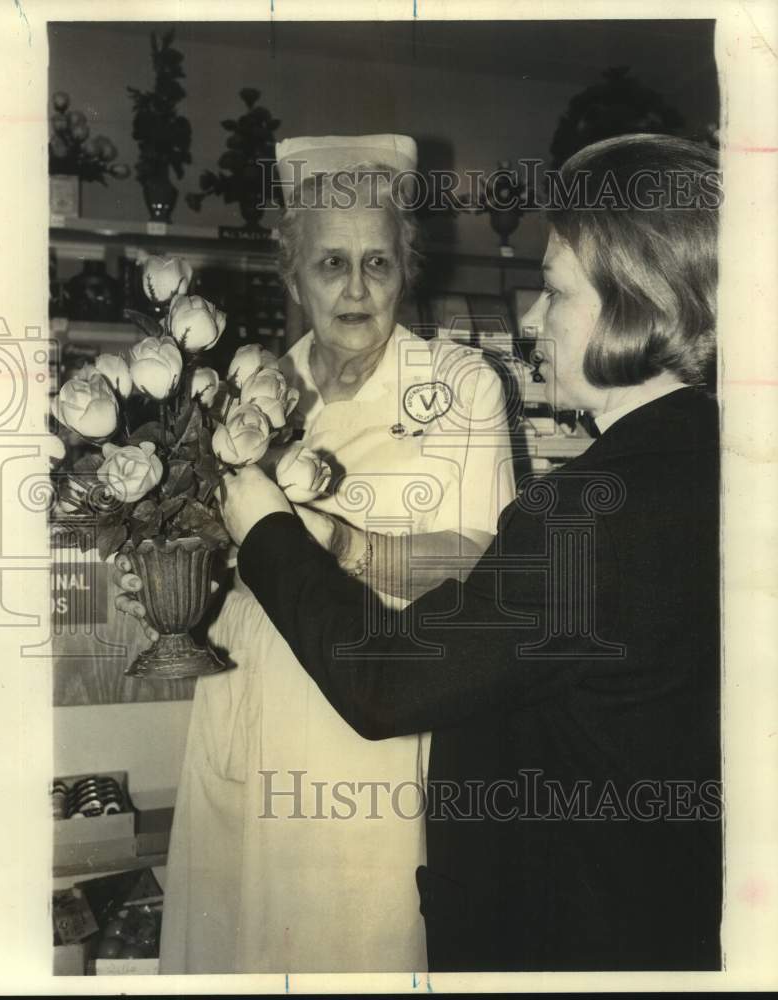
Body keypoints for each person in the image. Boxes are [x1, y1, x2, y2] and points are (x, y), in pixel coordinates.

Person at [215, 134, 723, 972]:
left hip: (572, 933)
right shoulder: (717, 464)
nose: (528, 321)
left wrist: (268, 528)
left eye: (554, 294)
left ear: (643, 309)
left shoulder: (589, 512)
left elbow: (385, 684)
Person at [143, 135, 515, 973]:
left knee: (359, 945)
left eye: (378, 263)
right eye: (331, 263)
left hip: (367, 727)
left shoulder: (459, 385)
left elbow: (482, 567)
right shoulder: (246, 391)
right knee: (237, 943)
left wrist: (340, 544)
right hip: (245, 708)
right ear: (292, 273)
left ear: (405, 270)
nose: (355, 288)